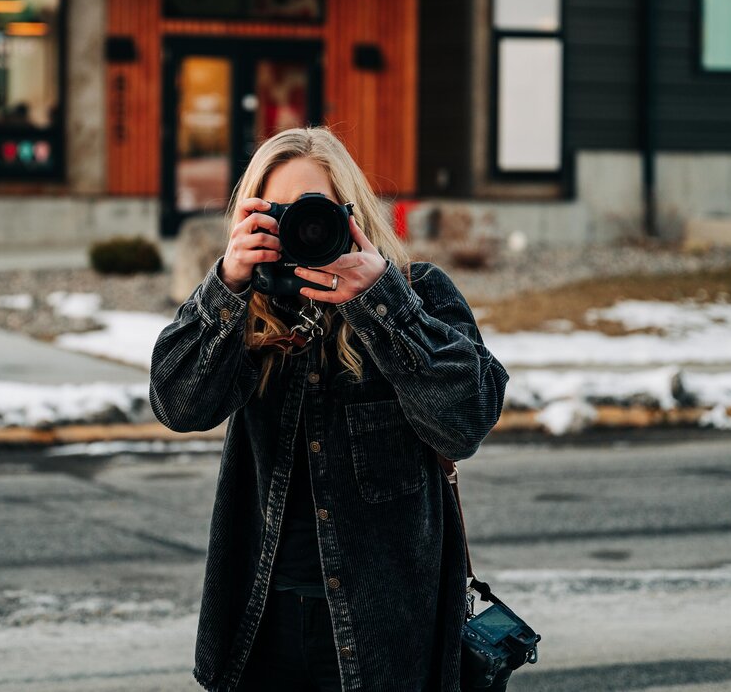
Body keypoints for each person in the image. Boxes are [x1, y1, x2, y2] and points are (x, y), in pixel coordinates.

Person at [149, 126, 509, 692]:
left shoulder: (418, 293)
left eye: (313, 210)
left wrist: (380, 303)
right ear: (251, 218)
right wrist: (228, 282)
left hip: (386, 634)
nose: (300, 227)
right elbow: (176, 404)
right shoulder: (250, 305)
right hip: (262, 628)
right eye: (278, 213)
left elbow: (466, 421)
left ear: (352, 212)